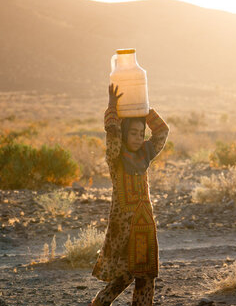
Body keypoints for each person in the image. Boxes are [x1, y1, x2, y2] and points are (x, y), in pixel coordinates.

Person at [89, 84, 170, 306]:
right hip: (123, 226)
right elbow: (112, 133)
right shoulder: (115, 157)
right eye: (132, 133)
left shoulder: (145, 153)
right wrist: (112, 107)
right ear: (125, 134)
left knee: (146, 275)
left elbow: (162, 131)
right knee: (124, 275)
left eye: (141, 133)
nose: (137, 137)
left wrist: (143, 108)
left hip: (145, 222)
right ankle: (99, 303)